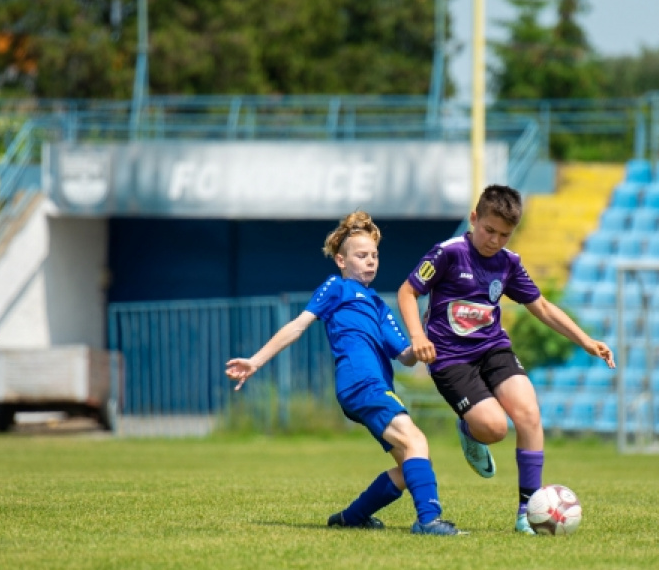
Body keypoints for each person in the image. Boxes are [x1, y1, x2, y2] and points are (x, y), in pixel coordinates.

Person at [226, 211, 463, 536]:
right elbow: (299, 325)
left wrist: (423, 345)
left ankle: (352, 517)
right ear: (341, 259)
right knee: (416, 440)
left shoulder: (379, 304)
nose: (370, 261)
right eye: (361, 255)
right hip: (360, 382)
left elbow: (405, 357)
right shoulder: (337, 288)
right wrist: (256, 360)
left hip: (371, 387)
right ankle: (429, 521)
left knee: (412, 464)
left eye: (375, 255)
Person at [397, 184, 615, 534]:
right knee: (495, 428)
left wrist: (586, 341)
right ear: (474, 219)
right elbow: (408, 292)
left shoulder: (509, 263)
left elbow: (541, 306)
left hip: (493, 349)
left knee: (528, 412)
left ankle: (527, 514)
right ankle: (470, 428)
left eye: (504, 234)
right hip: (450, 357)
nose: (495, 240)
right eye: (489, 230)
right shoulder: (448, 253)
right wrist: (418, 337)